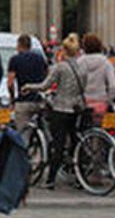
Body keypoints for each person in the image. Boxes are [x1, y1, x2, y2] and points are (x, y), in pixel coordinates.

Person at [22, 33, 87, 190]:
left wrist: (28, 86)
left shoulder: (60, 67)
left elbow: (45, 85)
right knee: (75, 142)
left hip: (61, 108)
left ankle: (50, 179)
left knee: (57, 144)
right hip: (77, 108)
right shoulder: (82, 67)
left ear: (64, 51)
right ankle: (80, 176)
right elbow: (83, 87)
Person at [7, 34, 49, 134]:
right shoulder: (40, 58)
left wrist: (12, 99)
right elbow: (48, 76)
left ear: (19, 45)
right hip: (39, 100)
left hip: (23, 101)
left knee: (22, 133)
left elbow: (10, 83)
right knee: (43, 128)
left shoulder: (15, 59)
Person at [78, 34, 115, 123]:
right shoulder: (105, 62)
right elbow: (113, 85)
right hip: (101, 102)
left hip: (84, 103)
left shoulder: (79, 62)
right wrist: (108, 100)